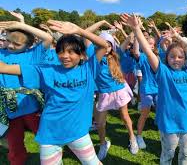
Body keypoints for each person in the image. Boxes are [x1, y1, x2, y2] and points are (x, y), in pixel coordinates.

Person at [0, 20, 110, 164]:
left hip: (78, 133)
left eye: (71, 52)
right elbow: (5, 68)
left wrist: (79, 30)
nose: (64, 56)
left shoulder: (89, 69)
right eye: (61, 51)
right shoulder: (46, 70)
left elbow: (103, 45)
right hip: (50, 134)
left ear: (82, 55)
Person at [121, 13, 187, 165]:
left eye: (180, 57)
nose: (176, 60)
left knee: (186, 152)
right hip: (169, 124)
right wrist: (137, 29)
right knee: (168, 153)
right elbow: (148, 51)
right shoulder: (163, 72)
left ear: (185, 59)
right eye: (172, 57)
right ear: (166, 58)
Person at [0, 20, 52, 165]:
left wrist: (22, 25)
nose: (10, 45)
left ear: (29, 45)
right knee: (14, 143)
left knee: (45, 137)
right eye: (8, 41)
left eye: (17, 44)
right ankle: (17, 161)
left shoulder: (33, 54)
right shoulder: (1, 53)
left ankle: (53, 157)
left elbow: (48, 38)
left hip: (31, 107)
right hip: (10, 109)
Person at [93, 32, 139, 160]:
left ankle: (132, 137)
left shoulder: (116, 56)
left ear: (112, 46)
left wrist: (133, 30)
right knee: (100, 123)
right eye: (103, 45)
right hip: (104, 94)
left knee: (125, 116)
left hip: (119, 92)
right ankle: (103, 144)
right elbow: (87, 40)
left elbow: (126, 41)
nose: (106, 48)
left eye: (109, 45)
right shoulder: (95, 58)